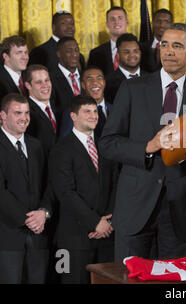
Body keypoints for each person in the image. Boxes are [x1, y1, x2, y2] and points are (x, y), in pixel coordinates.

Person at [99, 23, 186, 261]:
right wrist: (148, 147)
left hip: (179, 209)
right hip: (135, 205)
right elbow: (107, 143)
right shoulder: (132, 88)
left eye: (177, 46)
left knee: (173, 282)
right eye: (164, 45)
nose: (168, 51)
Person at [49, 95, 118, 284]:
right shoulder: (61, 150)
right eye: (87, 111)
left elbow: (115, 184)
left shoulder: (104, 147)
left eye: (95, 111)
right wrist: (95, 222)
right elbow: (65, 193)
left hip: (106, 236)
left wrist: (108, 221)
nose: (93, 115)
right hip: (74, 240)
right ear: (73, 116)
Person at [0, 93, 53, 283]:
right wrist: (29, 220)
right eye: (17, 113)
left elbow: (48, 185)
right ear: (3, 116)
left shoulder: (36, 146)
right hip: (7, 238)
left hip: (38, 237)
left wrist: (43, 213)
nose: (24, 118)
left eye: (27, 113)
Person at [60, 66, 112, 139]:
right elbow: (65, 143)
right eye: (89, 79)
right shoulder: (72, 113)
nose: (95, 82)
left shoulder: (115, 109)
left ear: (104, 82)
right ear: (83, 85)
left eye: (99, 78)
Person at [25, 65, 59, 156]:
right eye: (39, 82)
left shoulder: (59, 107)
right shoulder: (25, 113)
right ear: (28, 85)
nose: (45, 85)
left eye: (47, 80)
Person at [87, 6, 129, 76]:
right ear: (107, 24)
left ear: (127, 22)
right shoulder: (95, 54)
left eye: (120, 18)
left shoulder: (142, 50)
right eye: (112, 19)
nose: (116, 22)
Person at [49, 37, 84, 118]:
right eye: (69, 51)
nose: (74, 55)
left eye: (76, 50)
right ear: (58, 54)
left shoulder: (85, 77)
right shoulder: (50, 79)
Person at [104, 33, 143, 103]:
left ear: (140, 53)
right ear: (118, 55)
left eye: (135, 51)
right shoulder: (107, 83)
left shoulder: (153, 78)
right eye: (126, 52)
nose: (132, 55)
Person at [0, 36, 29, 100]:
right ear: (6, 56)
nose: (25, 57)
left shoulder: (30, 75)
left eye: (26, 52)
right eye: (19, 53)